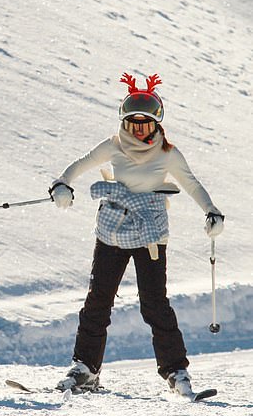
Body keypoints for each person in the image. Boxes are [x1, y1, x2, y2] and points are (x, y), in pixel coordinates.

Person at [49, 73, 224, 395]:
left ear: (157, 123)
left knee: (154, 304)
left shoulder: (167, 153)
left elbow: (191, 183)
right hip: (112, 232)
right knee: (98, 300)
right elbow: (80, 165)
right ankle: (85, 369)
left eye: (146, 122)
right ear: (125, 123)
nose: (140, 128)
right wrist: (62, 185)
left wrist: (211, 211)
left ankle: (176, 373)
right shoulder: (113, 146)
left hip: (150, 235)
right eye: (134, 122)